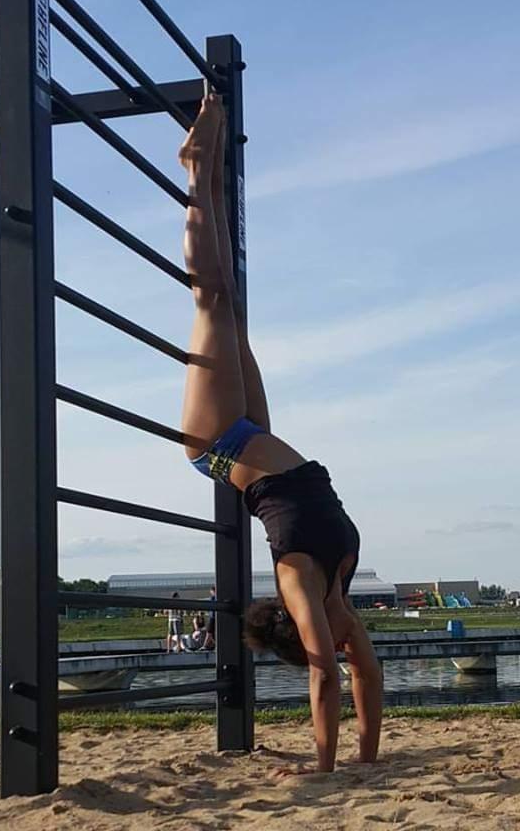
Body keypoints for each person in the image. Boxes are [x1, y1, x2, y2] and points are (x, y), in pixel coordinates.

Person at [178, 92, 382, 773]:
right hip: (223, 447)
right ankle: (196, 169)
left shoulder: (344, 577)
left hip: (272, 452)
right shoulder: (302, 580)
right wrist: (325, 766)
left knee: (226, 305)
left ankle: (204, 176)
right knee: (214, 299)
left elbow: (364, 678)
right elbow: (331, 675)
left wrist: (368, 755)